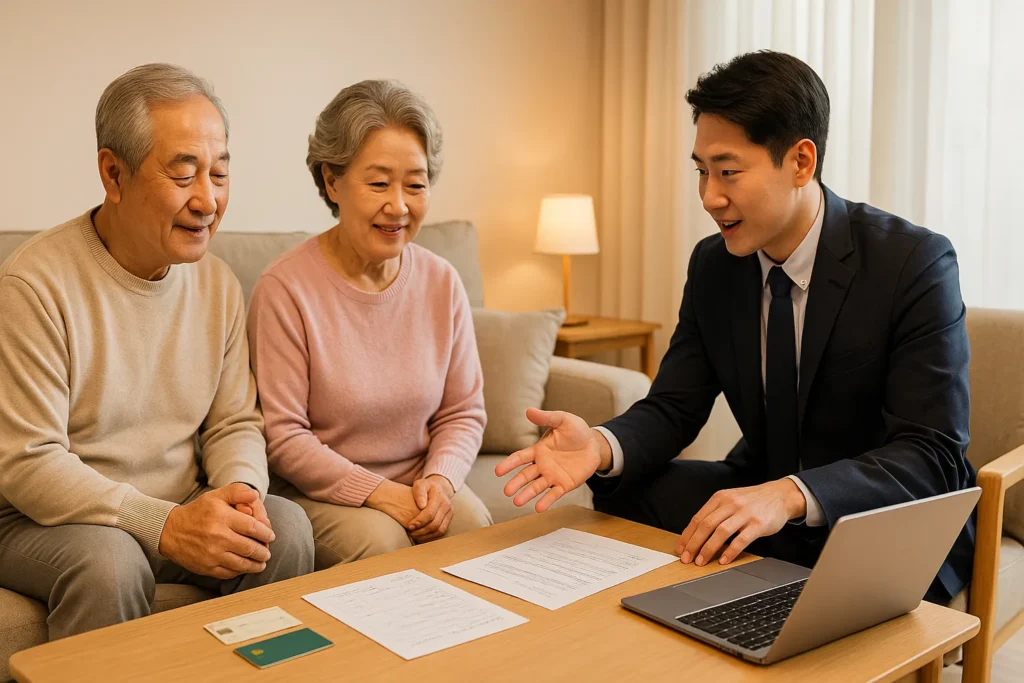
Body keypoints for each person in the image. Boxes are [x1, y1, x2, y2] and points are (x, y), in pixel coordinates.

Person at [496, 50, 975, 603]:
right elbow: (675, 406)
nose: (709, 197)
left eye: (728, 172)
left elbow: (932, 453)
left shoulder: (911, 262)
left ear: (800, 162)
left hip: (880, 514)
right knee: (627, 491)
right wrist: (600, 447)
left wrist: (791, 494)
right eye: (701, 171)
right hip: (765, 494)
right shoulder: (714, 265)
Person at [0, 63, 314, 640]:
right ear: (113, 174)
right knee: (110, 563)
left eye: (220, 174)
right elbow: (28, 462)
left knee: (283, 529)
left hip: (177, 503)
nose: (208, 200)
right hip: (43, 518)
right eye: (184, 173)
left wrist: (240, 493)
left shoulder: (217, 284)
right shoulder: (33, 285)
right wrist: (165, 525)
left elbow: (234, 423)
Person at [248, 79, 491, 569]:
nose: (399, 206)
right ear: (332, 181)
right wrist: (380, 493)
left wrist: (441, 480)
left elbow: (463, 412)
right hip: (321, 493)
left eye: (416, 184)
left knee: (474, 533)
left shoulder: (441, 281)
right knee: (384, 547)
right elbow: (284, 436)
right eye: (378, 183)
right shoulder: (285, 289)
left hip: (421, 482)